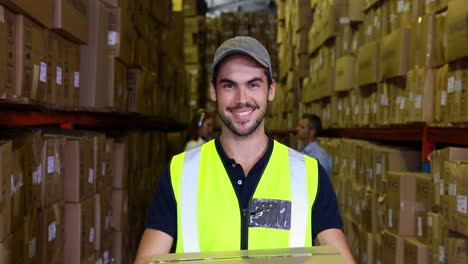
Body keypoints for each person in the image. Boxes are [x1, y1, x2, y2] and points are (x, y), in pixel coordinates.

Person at [135, 36, 354, 263]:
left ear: (270, 89)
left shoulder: (308, 174)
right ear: (213, 91)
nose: (242, 99)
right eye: (229, 85)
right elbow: (147, 259)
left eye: (253, 84)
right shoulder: (181, 172)